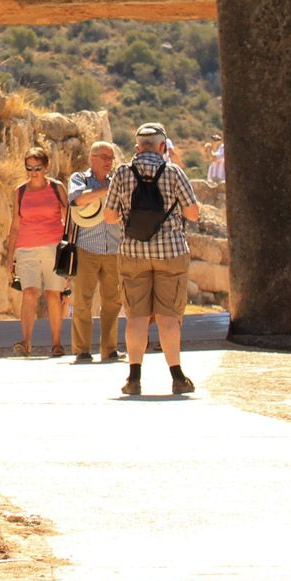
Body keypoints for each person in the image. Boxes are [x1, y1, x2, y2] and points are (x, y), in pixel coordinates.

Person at [103, 122, 204, 397]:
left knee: (136, 317)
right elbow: (193, 213)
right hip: (170, 253)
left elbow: (110, 217)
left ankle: (134, 378)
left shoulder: (123, 173)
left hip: (133, 253)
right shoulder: (173, 172)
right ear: (163, 147)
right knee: (168, 318)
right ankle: (177, 377)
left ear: (137, 148)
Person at [3, 145, 69, 357]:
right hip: (26, 248)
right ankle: (26, 342)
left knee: (53, 294)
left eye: (37, 167)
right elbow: (15, 225)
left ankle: (56, 343)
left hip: (53, 246)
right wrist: (10, 257)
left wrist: (70, 251)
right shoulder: (20, 192)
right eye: (29, 168)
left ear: (46, 167)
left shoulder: (56, 188)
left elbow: (68, 220)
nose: (33, 172)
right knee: (29, 292)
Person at [66, 140, 124, 363]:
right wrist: (105, 191)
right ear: (92, 158)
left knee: (112, 301)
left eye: (110, 158)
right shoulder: (79, 178)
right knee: (83, 300)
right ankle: (82, 350)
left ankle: (109, 349)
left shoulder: (115, 181)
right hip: (86, 248)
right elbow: (77, 199)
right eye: (104, 157)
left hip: (113, 247)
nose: (108, 162)